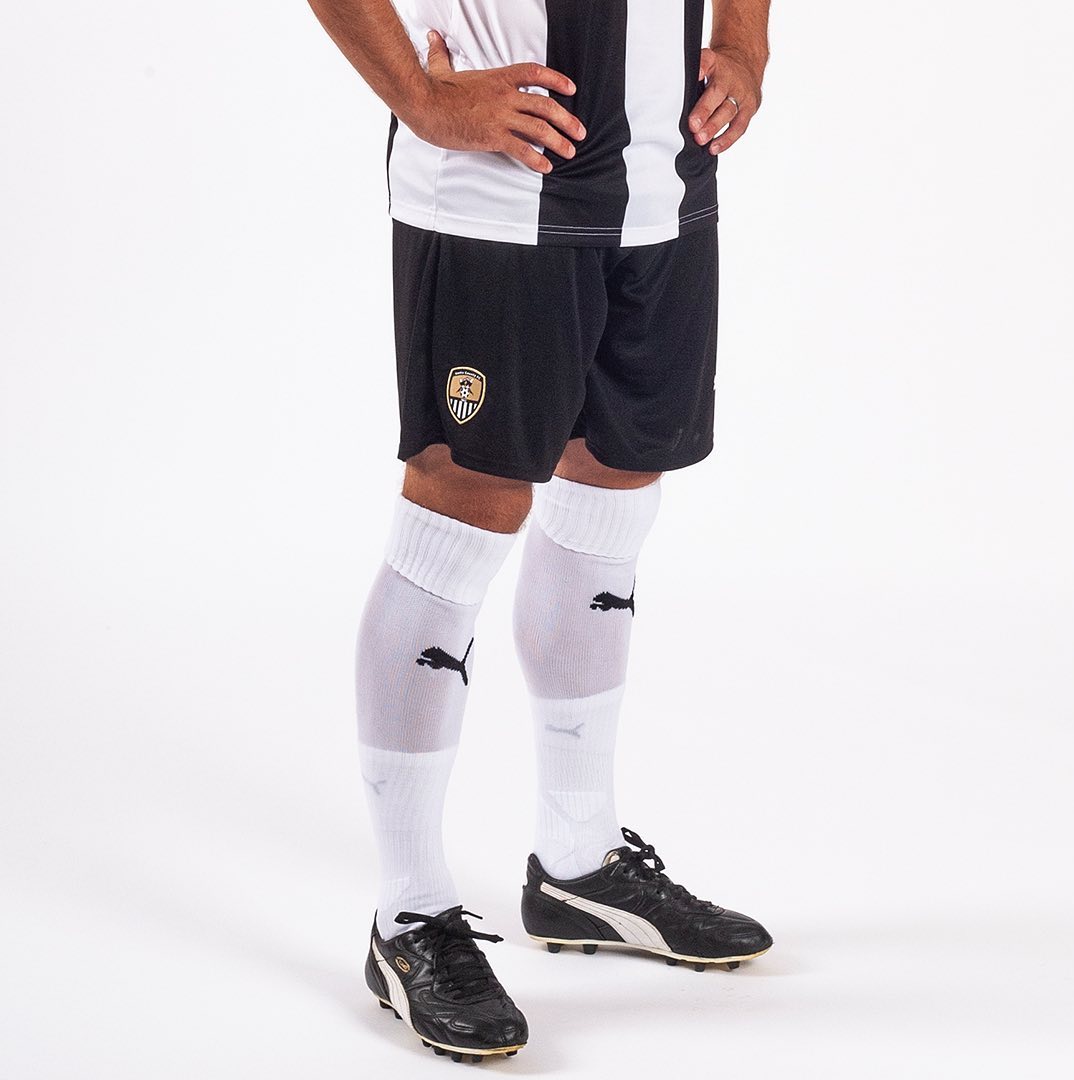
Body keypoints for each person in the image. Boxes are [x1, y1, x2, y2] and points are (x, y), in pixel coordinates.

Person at [307, 0, 773, 1062]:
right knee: (466, 509)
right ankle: (409, 914)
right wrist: (422, 99)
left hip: (664, 183)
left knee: (616, 483)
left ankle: (580, 861)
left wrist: (745, 42)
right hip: (494, 193)